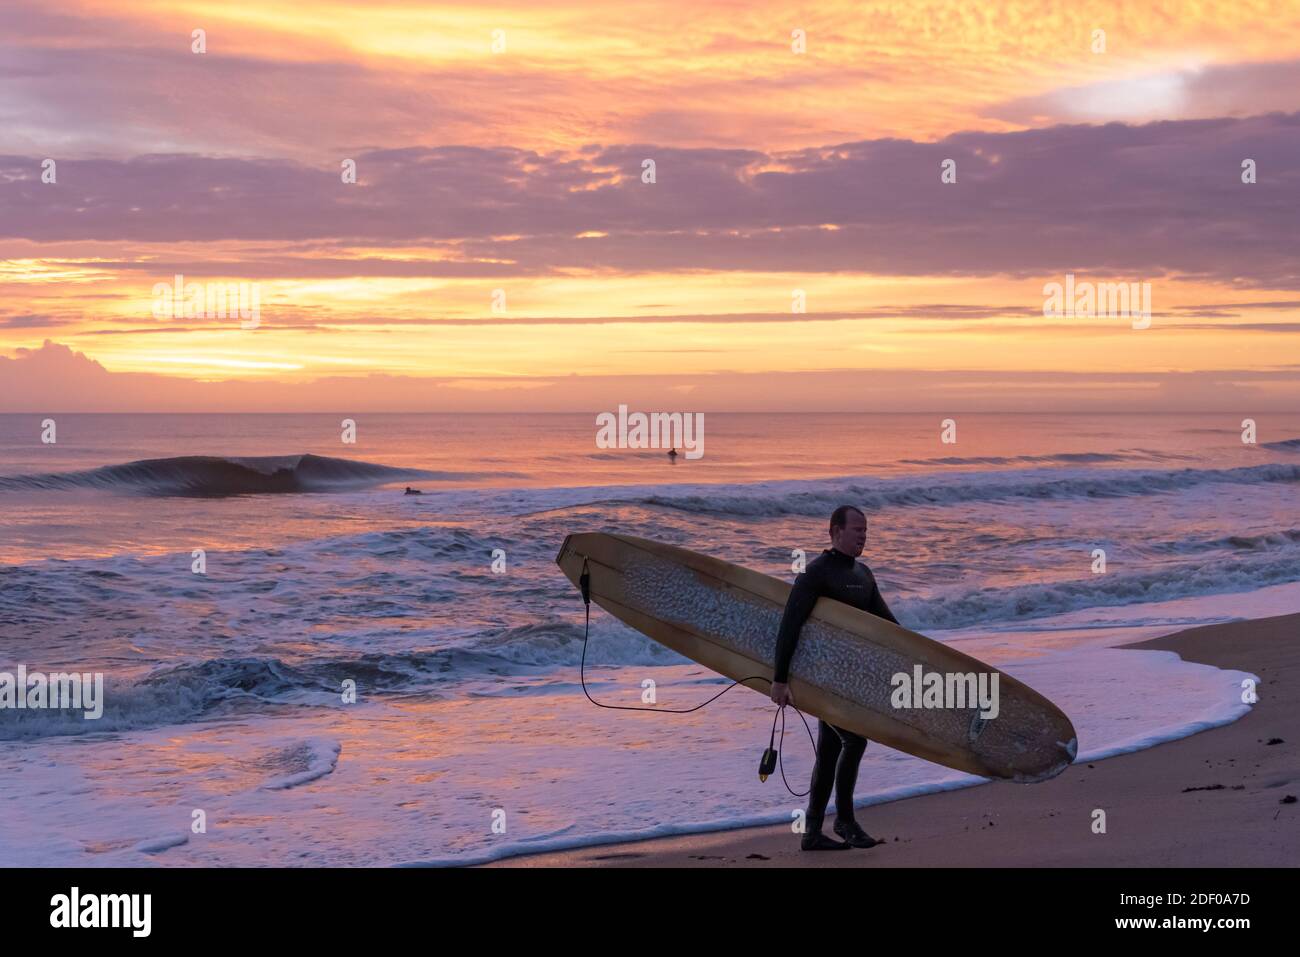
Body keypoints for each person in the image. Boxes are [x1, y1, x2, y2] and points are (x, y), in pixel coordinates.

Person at [771, 504, 898, 851]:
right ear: (835, 531)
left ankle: (812, 833)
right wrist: (780, 680)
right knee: (854, 741)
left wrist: (921, 658)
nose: (862, 535)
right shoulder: (816, 574)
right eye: (856, 529)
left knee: (829, 749)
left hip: (850, 681)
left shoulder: (863, 575)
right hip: (822, 679)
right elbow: (790, 626)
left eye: (866, 530)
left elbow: (888, 626)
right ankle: (844, 820)